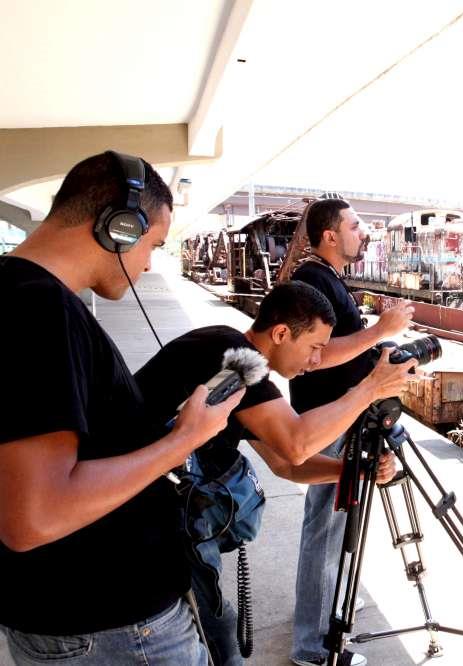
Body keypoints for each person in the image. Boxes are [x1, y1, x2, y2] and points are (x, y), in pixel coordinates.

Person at [0, 151, 244, 664]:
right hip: (114, 631)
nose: (150, 263)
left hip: (74, 623)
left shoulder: (20, 296)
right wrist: (183, 440)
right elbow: (32, 517)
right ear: (120, 226)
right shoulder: (38, 309)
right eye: (153, 243)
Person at [134, 280, 416, 666]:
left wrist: (355, 471)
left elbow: (286, 464)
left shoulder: (239, 367)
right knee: (216, 639)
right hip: (143, 528)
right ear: (281, 333)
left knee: (219, 631)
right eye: (315, 347)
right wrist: (370, 388)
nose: (317, 361)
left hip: (163, 519)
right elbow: (296, 443)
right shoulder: (230, 356)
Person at [288, 197, 415, 666]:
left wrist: (382, 353)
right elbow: (315, 355)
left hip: (345, 416)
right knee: (325, 527)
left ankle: (328, 604)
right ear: (330, 236)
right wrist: (379, 329)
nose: (364, 234)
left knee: (338, 524)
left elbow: (340, 350)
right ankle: (313, 647)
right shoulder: (311, 281)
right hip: (331, 421)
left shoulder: (325, 279)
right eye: (356, 226)